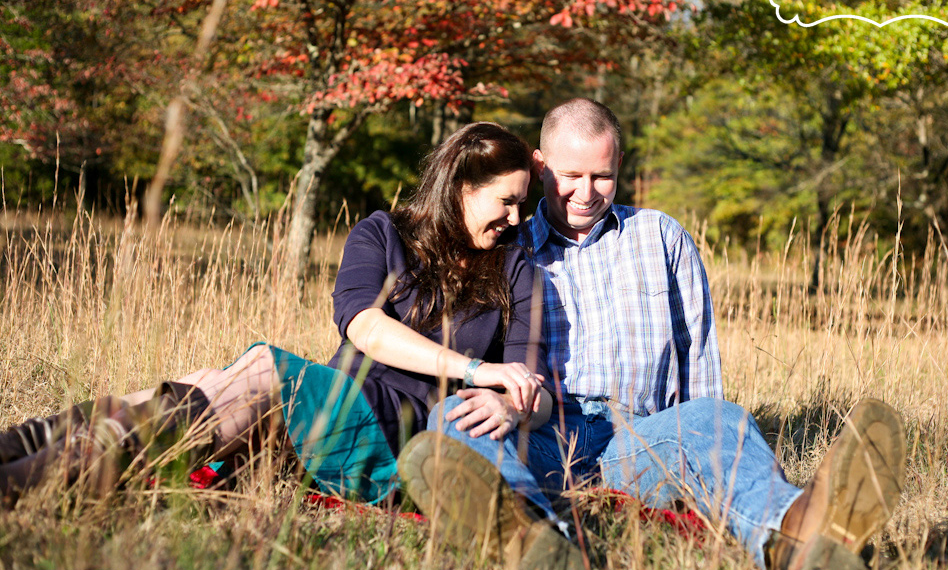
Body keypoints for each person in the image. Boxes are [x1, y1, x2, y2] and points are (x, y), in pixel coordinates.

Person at [398, 99, 906, 570]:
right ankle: (533, 539)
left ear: (620, 165)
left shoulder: (661, 236)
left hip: (640, 437)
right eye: (570, 175)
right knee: (453, 419)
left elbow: (696, 351)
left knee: (717, 417)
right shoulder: (507, 247)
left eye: (603, 176)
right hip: (543, 433)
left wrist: (707, 450)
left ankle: (799, 530)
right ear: (539, 166)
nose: (586, 192)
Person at [0, 122, 555, 511]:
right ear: (462, 188)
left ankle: (30, 486)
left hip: (403, 435)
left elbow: (539, 389)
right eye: (505, 201)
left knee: (260, 369)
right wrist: (475, 369)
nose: (515, 217)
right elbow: (364, 327)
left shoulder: (516, 276)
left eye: (522, 205)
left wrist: (511, 402)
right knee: (203, 384)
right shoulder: (383, 234)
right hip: (346, 398)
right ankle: (18, 457)